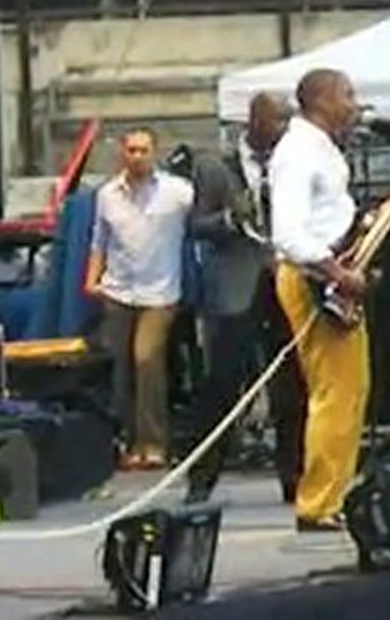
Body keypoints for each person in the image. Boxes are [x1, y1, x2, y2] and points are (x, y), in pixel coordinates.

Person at [184, 92, 306, 505]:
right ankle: (201, 479)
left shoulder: (292, 164)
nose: (283, 130)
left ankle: (295, 477)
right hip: (236, 285)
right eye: (276, 121)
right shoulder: (215, 165)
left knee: (293, 382)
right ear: (253, 121)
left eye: (287, 122)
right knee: (222, 384)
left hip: (285, 280)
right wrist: (230, 221)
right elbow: (197, 224)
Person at [270, 69, 369, 532]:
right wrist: (335, 272)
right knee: (333, 392)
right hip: (313, 277)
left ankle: (333, 493)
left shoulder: (322, 147)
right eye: (347, 94)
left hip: (331, 271)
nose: (354, 103)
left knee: (351, 389)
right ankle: (317, 502)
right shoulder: (296, 153)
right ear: (322, 99)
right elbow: (288, 232)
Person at [85, 127, 194, 471]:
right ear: (122, 152)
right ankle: (126, 441)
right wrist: (92, 280)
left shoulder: (177, 193)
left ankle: (154, 442)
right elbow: (98, 242)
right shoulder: (107, 195)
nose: (137, 156)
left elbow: (201, 222)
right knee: (118, 367)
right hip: (118, 289)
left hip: (160, 292)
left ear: (155, 153)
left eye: (143, 150)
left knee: (146, 360)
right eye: (131, 150)